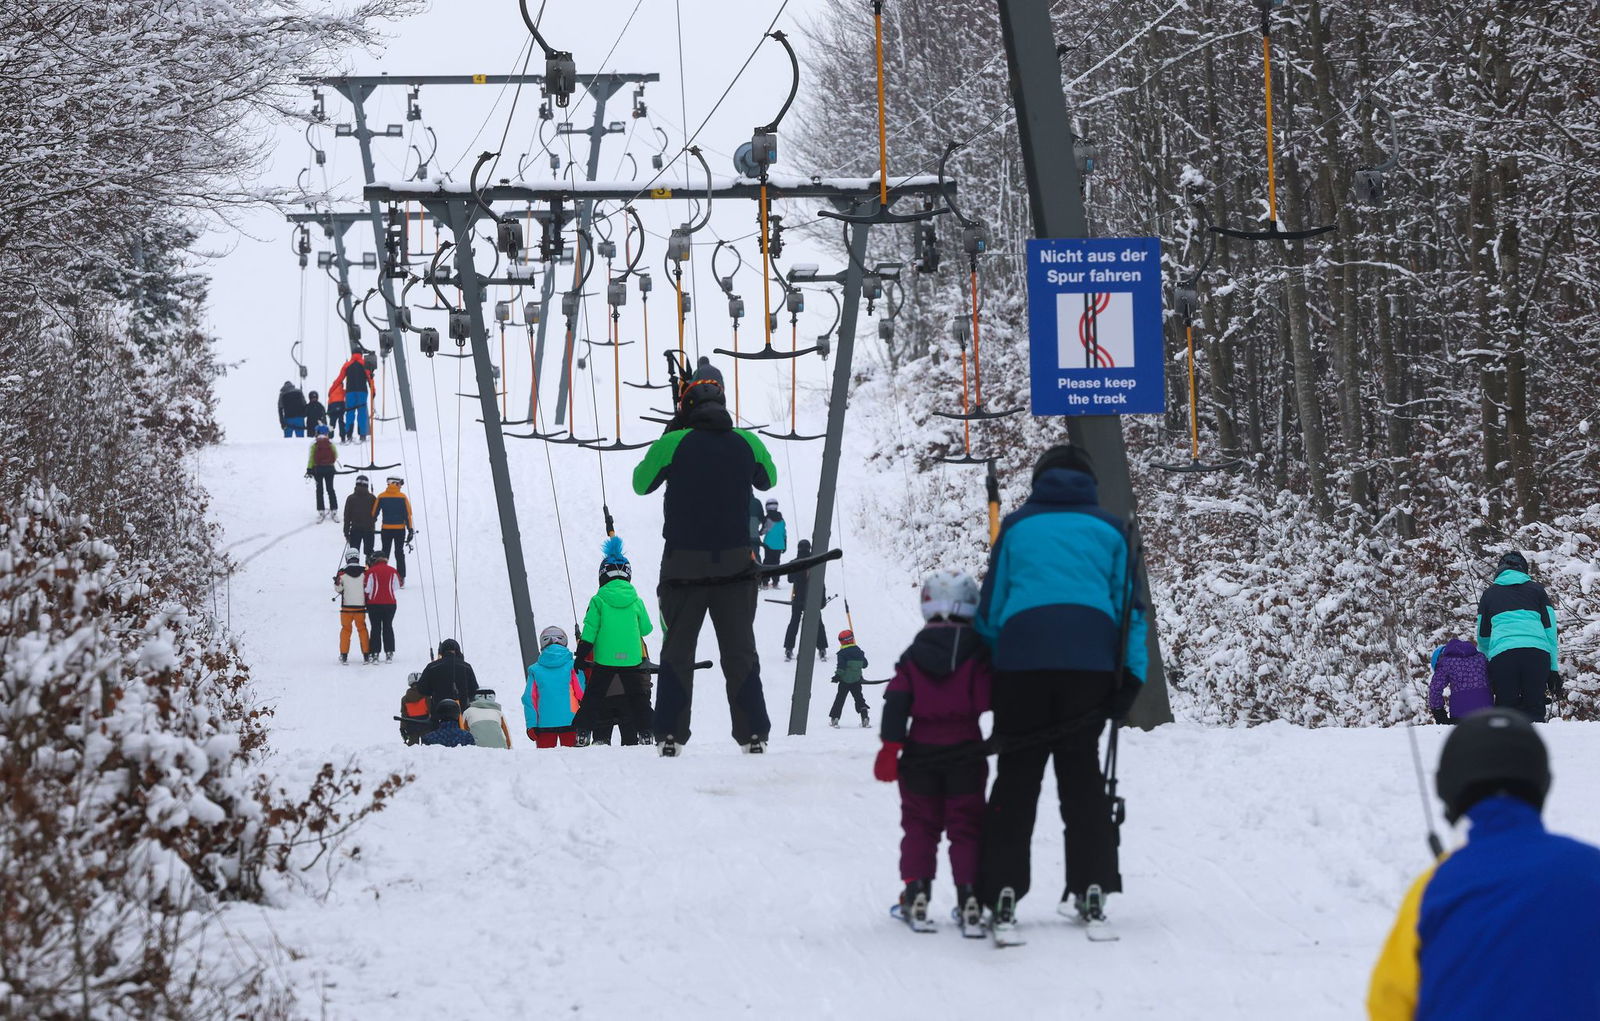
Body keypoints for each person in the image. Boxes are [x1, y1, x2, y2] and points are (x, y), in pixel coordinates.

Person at [974, 444, 1145, 934]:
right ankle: (1092, 887)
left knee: (1016, 777)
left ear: (1039, 480)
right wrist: (1131, 679)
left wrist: (990, 660)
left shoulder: (1017, 527)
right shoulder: (1114, 530)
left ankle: (1001, 892)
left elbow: (991, 608)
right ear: (1089, 483)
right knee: (1081, 775)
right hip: (1088, 668)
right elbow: (1131, 610)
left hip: (1022, 663)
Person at [1367, 709, 1600, 1019]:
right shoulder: (1592, 869)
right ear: (1543, 782)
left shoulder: (1432, 890)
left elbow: (1388, 1004)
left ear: (1446, 787)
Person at [632, 357, 778, 755]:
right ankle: (753, 734)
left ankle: (669, 736)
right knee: (740, 650)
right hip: (735, 565)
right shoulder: (747, 442)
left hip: (683, 566)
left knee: (677, 651)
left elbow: (640, 483)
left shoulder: (673, 443)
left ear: (686, 405)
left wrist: (673, 430)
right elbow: (769, 479)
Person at [873, 569, 993, 935]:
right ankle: (970, 895)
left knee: (920, 826)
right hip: (966, 752)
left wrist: (890, 746)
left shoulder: (914, 654)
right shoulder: (977, 651)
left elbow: (896, 699)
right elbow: (990, 695)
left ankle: (917, 891)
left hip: (920, 753)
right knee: (966, 827)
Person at [570, 537, 655, 746]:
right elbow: (646, 629)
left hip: (605, 660)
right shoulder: (636, 601)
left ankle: (583, 731)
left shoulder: (598, 600)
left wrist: (581, 655)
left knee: (594, 696)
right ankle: (646, 732)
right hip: (632, 659)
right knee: (638, 697)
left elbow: (590, 631)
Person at [1476, 550, 1560, 721]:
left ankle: (1505, 746)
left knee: (1505, 711)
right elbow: (1550, 631)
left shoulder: (1489, 594)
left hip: (1503, 655)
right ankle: (1534, 746)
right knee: (1535, 708)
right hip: (1536, 654)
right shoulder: (1537, 590)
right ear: (1524, 569)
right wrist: (1553, 668)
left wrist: (1486, 666)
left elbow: (1483, 636)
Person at [524, 625, 584, 748]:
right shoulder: (573, 666)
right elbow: (582, 693)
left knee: (545, 762)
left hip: (544, 724)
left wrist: (531, 725)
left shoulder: (535, 670)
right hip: (571, 721)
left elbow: (529, 699)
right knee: (574, 760)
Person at [783, 539, 829, 662]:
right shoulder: (815, 562)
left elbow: (790, 579)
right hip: (812, 598)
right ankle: (822, 648)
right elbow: (821, 583)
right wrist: (822, 600)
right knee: (818, 623)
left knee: (794, 622)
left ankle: (788, 648)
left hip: (797, 598)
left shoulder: (794, 562)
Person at [1427, 639, 1490, 724]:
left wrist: (1440, 715)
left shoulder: (1445, 661)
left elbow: (1434, 689)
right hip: (1488, 712)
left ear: (1440, 657)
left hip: (1461, 714)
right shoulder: (1481, 657)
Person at [333, 549, 371, 665]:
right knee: (362, 629)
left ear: (347, 558)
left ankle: (344, 655)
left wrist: (336, 582)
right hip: (360, 608)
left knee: (346, 630)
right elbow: (367, 587)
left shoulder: (342, 573)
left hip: (346, 608)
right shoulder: (364, 572)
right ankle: (366, 655)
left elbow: (338, 589)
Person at [416, 638, 477, 707]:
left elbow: (421, 688)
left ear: (442, 651)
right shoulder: (467, 667)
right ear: (458, 651)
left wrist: (434, 691)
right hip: (461, 712)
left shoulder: (432, 667)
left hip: (439, 711)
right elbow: (474, 690)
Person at [829, 629, 870, 728]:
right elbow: (865, 664)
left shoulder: (842, 653)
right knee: (859, 698)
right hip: (856, 680)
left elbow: (841, 667)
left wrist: (837, 676)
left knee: (840, 699)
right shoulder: (859, 651)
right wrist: (860, 656)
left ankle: (835, 718)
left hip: (844, 681)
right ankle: (864, 717)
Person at [376, 476, 414, 585]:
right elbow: (408, 515)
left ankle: (383, 577)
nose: (401, 487)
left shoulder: (381, 496)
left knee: (385, 553)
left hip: (386, 529)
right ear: (396, 484)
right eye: (400, 484)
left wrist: (371, 524)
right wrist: (410, 529)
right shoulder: (403, 497)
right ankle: (401, 578)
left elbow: (374, 513)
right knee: (399, 553)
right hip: (400, 530)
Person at [364, 550, 400, 662]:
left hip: (374, 604)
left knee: (375, 628)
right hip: (390, 604)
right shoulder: (392, 571)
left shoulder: (370, 571)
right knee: (388, 626)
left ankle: (375, 652)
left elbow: (367, 589)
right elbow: (397, 586)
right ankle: (389, 652)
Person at [337, 350, 374, 440]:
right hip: (362, 392)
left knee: (350, 413)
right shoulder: (364, 364)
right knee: (362, 413)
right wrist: (373, 391)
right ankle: (362, 435)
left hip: (350, 392)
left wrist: (331, 391)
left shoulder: (347, 365)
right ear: (361, 354)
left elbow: (339, 380)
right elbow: (370, 379)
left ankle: (348, 435)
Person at [305, 425, 339, 520]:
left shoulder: (314, 443)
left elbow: (311, 458)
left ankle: (321, 510)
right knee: (330, 489)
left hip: (318, 469)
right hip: (330, 469)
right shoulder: (330, 442)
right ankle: (334, 509)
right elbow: (336, 455)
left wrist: (309, 469)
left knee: (319, 490)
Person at [343, 474, 380, 557]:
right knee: (369, 553)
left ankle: (354, 569)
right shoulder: (372, 498)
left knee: (354, 553)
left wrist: (346, 532)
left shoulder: (351, 498)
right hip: (369, 529)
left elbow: (347, 517)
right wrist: (372, 521)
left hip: (355, 529)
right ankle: (369, 569)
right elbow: (376, 512)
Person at [759, 498, 786, 588]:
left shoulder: (768, 519)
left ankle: (765, 582)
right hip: (779, 545)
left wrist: (759, 532)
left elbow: (764, 530)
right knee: (776, 563)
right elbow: (784, 533)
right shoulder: (781, 520)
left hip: (769, 544)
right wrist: (785, 544)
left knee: (767, 562)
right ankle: (775, 582)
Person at [397, 675, 432, 745]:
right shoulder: (427, 696)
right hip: (426, 726)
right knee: (428, 749)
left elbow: (404, 715)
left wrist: (402, 729)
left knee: (412, 750)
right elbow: (432, 711)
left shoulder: (404, 699)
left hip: (412, 728)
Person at [326, 373, 348, 443]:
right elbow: (347, 394)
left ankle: (330, 436)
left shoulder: (332, 392)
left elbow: (329, 402)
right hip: (341, 405)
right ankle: (343, 437)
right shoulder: (342, 390)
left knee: (332, 423)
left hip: (332, 406)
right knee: (341, 422)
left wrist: (328, 411)